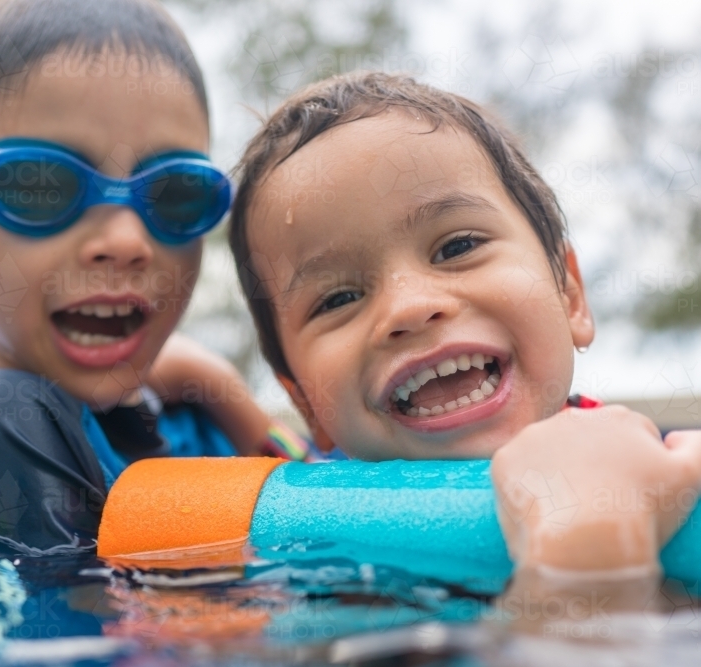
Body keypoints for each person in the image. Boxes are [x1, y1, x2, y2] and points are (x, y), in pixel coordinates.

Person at [228, 71, 701, 591]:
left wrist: (588, 547)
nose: (409, 307)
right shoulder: (306, 517)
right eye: (338, 298)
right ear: (306, 403)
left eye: (457, 247)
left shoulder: (648, 467)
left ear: (569, 296)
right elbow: (283, 453)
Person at [0, 0, 308, 555]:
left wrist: (222, 390)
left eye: (174, 194)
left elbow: (313, 493)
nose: (124, 242)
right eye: (41, 185)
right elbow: (77, 632)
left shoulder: (197, 421)